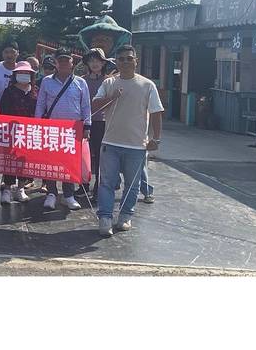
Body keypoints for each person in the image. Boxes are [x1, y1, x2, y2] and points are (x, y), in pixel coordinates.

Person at [92, 44, 163, 237]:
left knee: (132, 184)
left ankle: (125, 216)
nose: (125, 62)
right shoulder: (109, 83)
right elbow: (94, 106)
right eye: (121, 59)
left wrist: (156, 138)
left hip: (136, 145)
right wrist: (112, 97)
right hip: (110, 143)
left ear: (136, 61)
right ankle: (105, 218)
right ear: (116, 61)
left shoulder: (147, 85)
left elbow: (156, 113)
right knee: (106, 183)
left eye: (129, 58)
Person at [35, 48, 91, 211]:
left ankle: (68, 195)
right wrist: (37, 123)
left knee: (70, 163)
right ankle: (51, 193)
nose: (64, 63)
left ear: (72, 63)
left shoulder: (80, 82)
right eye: (61, 60)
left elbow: (86, 105)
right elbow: (41, 103)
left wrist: (87, 126)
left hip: (73, 129)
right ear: (56, 62)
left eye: (67, 60)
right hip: (51, 128)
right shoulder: (46, 81)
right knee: (50, 162)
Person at [0, 61, 38, 204]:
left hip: (29, 132)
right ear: (15, 75)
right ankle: (7, 189)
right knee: (10, 159)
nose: (24, 75)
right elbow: (3, 111)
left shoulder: (35, 91)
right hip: (11, 130)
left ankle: (21, 188)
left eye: (27, 73)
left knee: (24, 160)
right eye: (21, 73)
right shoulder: (9, 91)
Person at [82, 48, 109, 200]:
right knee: (84, 155)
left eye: (98, 60)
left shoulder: (108, 81)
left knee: (100, 157)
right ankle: (83, 185)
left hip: (101, 122)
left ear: (103, 63)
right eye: (91, 60)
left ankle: (98, 187)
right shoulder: (82, 80)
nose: (95, 64)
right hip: (84, 122)